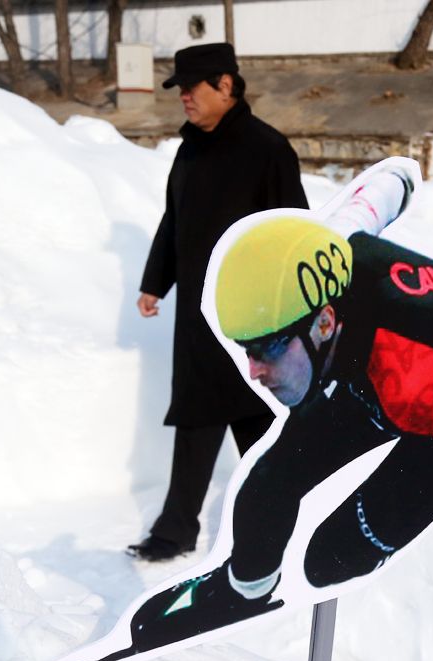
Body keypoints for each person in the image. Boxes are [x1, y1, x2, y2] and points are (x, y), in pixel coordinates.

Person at [58, 163, 433, 661]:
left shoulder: (414, 384)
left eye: (267, 350)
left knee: (333, 558)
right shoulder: (325, 247)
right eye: (246, 351)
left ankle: (337, 551)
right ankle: (246, 587)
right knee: (266, 486)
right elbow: (374, 199)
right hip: (375, 346)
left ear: (323, 323)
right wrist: (404, 178)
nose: (254, 372)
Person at [129, 42, 309, 562]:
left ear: (225, 85)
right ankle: (180, 529)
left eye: (192, 87)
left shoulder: (267, 149)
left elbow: (292, 231)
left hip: (250, 318)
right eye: (179, 88)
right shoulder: (189, 150)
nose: (183, 96)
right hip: (196, 319)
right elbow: (174, 220)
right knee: (199, 416)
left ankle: (274, 526)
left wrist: (289, 311)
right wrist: (154, 282)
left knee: (256, 425)